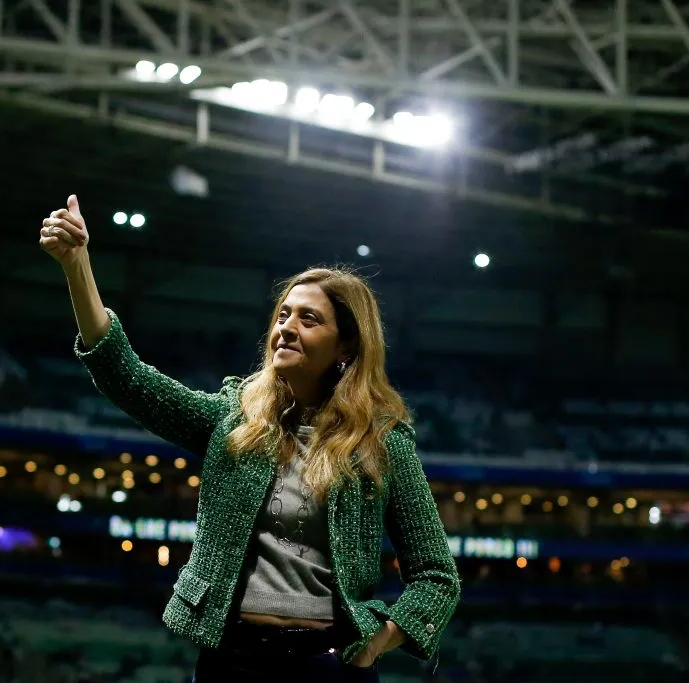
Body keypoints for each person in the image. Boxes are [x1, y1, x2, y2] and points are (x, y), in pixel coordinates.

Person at [39, 195, 461, 682]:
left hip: (330, 665)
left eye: (309, 319)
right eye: (283, 315)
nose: (286, 328)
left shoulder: (382, 443)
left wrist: (378, 642)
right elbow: (128, 378)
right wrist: (77, 266)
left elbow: (436, 575)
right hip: (232, 659)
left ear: (346, 346)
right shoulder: (235, 417)